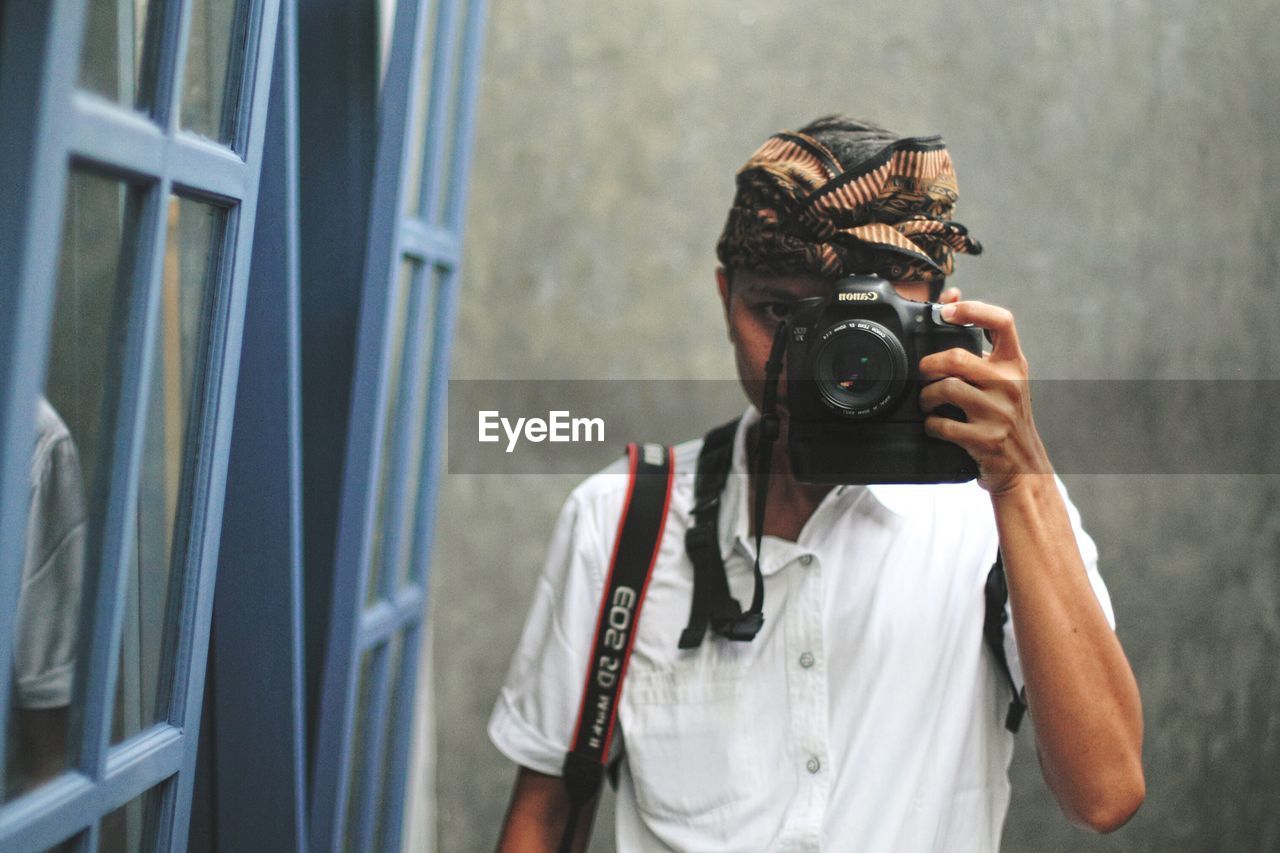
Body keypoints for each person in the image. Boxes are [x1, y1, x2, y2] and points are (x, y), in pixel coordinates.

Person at [488, 115, 1145, 852]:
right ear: (724, 298)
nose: (818, 362)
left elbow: (1106, 791)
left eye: (858, 327)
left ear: (936, 305)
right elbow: (545, 817)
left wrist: (1022, 481)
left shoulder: (999, 519)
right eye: (781, 313)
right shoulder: (623, 522)